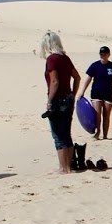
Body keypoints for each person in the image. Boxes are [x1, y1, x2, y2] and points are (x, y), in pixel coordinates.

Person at [39, 30, 80, 173]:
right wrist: (72, 94)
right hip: (68, 97)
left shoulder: (52, 59)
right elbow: (77, 77)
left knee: (58, 135)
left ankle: (64, 167)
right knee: (66, 133)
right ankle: (69, 165)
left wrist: (50, 100)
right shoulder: (65, 58)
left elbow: (54, 82)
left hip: (58, 99)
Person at [79, 45, 112, 140]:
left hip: (109, 93)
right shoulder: (95, 65)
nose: (102, 56)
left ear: (109, 54)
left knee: (106, 115)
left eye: (104, 54)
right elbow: (88, 79)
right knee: (97, 115)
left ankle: (105, 135)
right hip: (96, 93)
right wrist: (82, 91)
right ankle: (98, 132)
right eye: (101, 54)